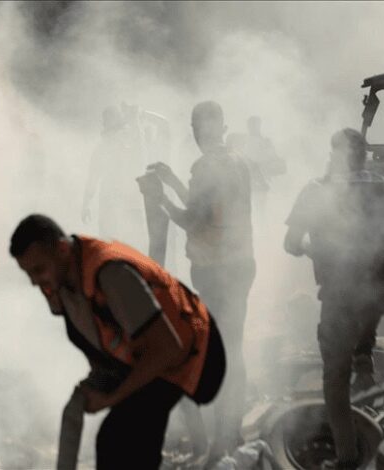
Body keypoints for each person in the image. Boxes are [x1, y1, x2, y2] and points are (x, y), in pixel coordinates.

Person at [10, 214, 224, 469]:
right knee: (118, 441)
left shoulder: (111, 274)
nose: (34, 282)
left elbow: (167, 349)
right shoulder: (63, 281)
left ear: (63, 250)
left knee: (120, 439)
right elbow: (96, 340)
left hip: (196, 346)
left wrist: (110, 399)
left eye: (38, 270)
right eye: (28, 274)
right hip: (153, 354)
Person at [284, 128, 384, 469]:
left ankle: (347, 458)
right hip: (383, 295)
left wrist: (313, 249)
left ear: (333, 156)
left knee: (334, 378)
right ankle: (364, 361)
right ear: (364, 156)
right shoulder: (383, 186)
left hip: (341, 298)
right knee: (370, 305)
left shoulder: (315, 191)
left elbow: (290, 244)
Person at [141, 101, 254, 458]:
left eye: (195, 126)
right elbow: (206, 204)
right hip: (240, 263)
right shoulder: (236, 161)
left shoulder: (206, 166)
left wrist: (160, 201)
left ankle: (219, 440)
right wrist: (174, 181)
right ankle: (232, 430)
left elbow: (193, 219)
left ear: (196, 130)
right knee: (233, 347)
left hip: (217, 268)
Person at [82, 106, 148, 250]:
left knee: (130, 244)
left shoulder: (127, 144)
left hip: (128, 203)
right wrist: (86, 203)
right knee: (110, 243)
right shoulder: (103, 148)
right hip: (111, 203)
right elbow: (93, 177)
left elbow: (140, 153)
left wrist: (135, 122)